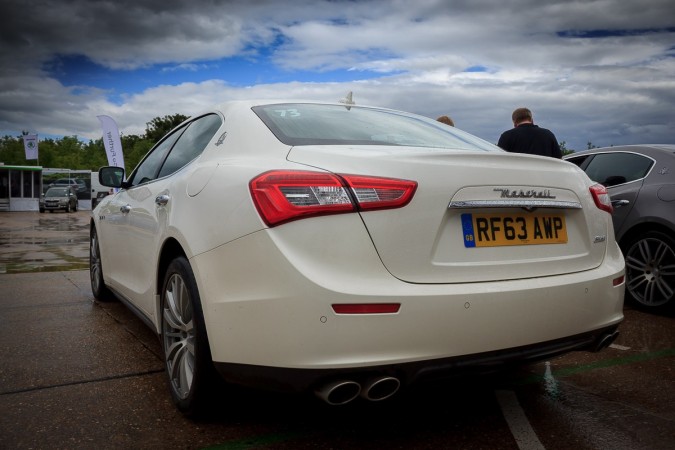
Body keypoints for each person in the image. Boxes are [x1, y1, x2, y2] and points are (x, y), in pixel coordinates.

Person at [497, 107, 562, 158]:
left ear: (514, 122)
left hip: (517, 173)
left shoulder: (506, 136)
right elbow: (558, 158)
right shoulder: (548, 134)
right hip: (544, 173)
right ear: (531, 120)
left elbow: (500, 159)